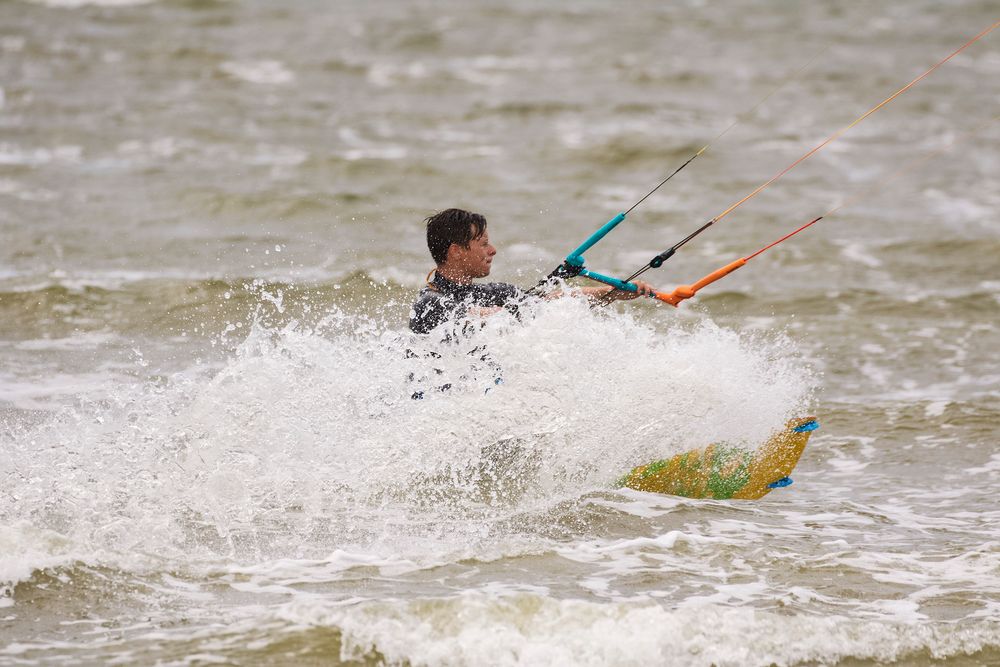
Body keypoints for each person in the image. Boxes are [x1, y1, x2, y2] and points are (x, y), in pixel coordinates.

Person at [409, 208, 654, 334]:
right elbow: (483, 316)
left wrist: (611, 293)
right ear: (456, 251)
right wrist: (518, 310)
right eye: (483, 244)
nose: (493, 250)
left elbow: (551, 303)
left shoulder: (493, 292)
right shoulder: (429, 303)